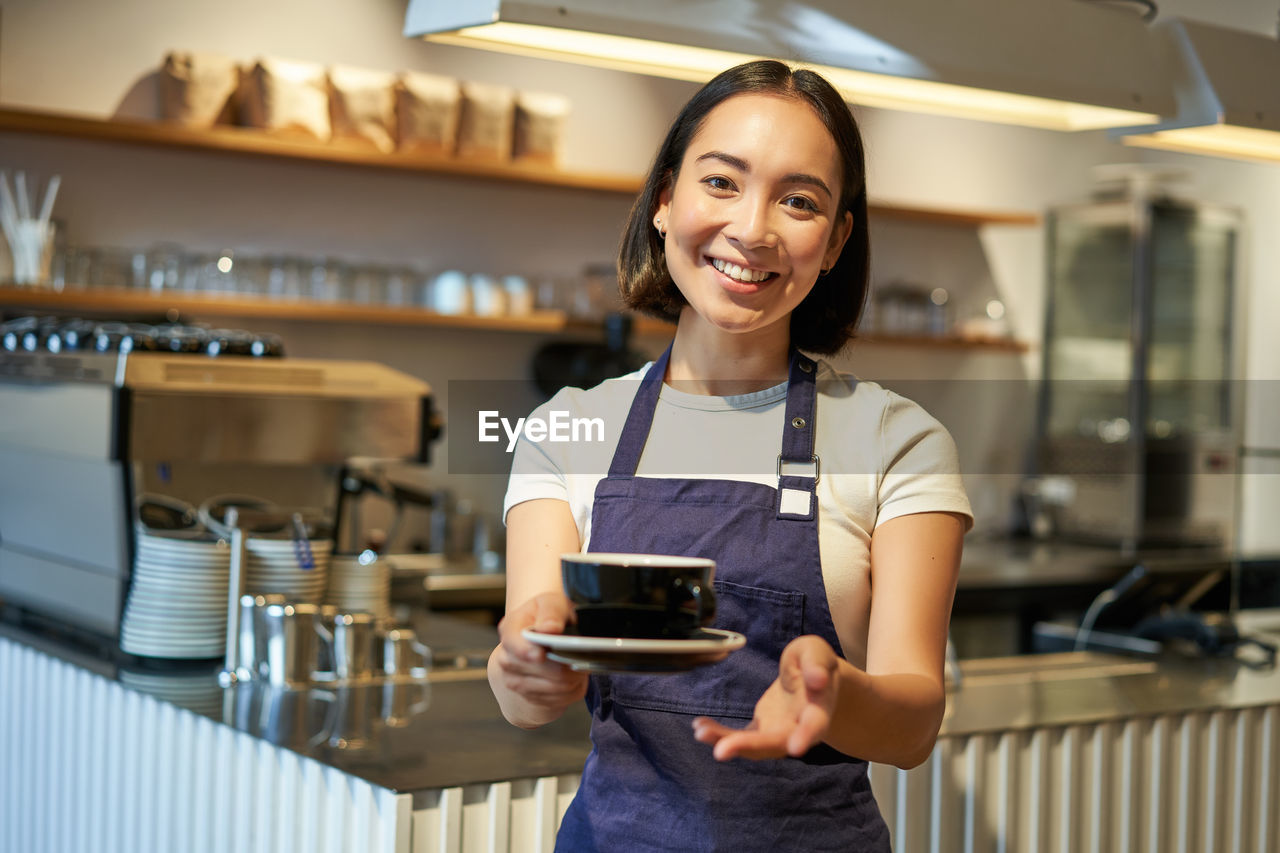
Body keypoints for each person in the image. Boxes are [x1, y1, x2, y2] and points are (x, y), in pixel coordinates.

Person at [489, 59, 972, 851]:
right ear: (664, 199)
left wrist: (835, 695)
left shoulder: (900, 442)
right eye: (721, 182)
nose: (753, 229)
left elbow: (915, 719)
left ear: (837, 238)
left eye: (799, 200)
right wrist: (524, 668)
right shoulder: (566, 428)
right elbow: (524, 691)